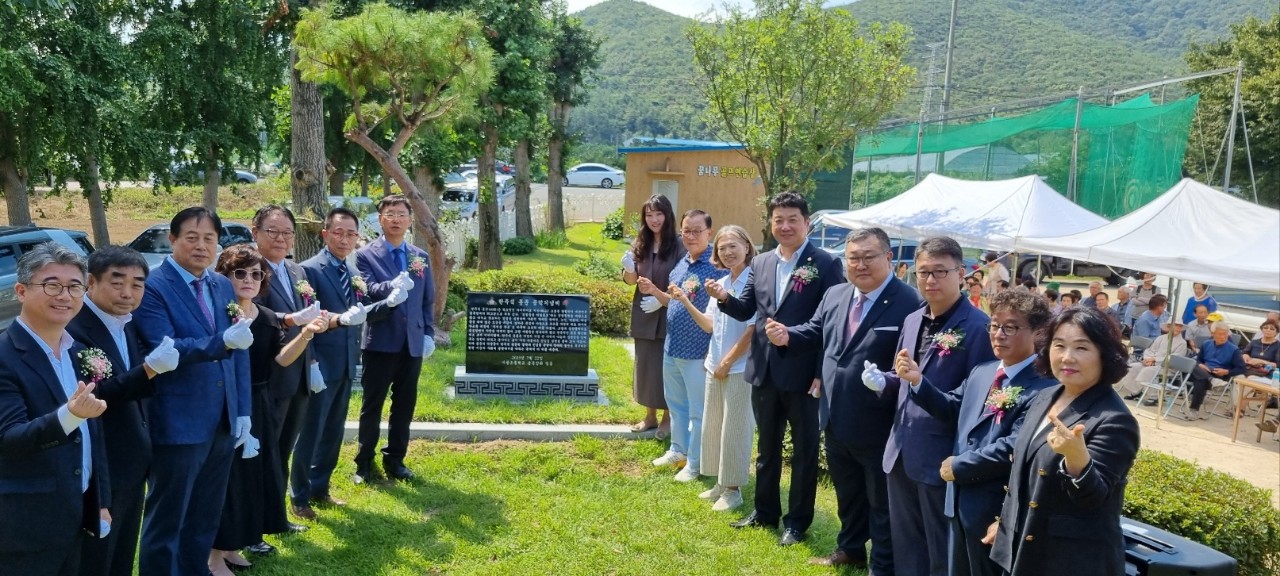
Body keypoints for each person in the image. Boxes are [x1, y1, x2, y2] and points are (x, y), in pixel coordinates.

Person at [770, 227, 922, 572]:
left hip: (880, 424)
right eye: (854, 257)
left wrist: (887, 381)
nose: (861, 264)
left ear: (889, 258)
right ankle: (850, 547)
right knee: (848, 493)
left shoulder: (909, 302)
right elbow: (814, 331)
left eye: (869, 257)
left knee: (881, 502)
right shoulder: (836, 294)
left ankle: (882, 565)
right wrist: (786, 335)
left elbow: (915, 361)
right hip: (836, 416)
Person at [706, 192, 843, 547]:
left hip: (803, 373)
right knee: (766, 448)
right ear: (770, 223)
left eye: (792, 219)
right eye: (778, 219)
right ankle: (764, 512)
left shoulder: (826, 263)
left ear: (806, 222)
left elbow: (831, 323)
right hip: (764, 369)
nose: (784, 226)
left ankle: (796, 523)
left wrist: (819, 372)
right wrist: (723, 299)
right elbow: (746, 309)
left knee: (803, 451)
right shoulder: (762, 263)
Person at [133, 207, 254, 576]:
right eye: (192, 237)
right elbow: (165, 347)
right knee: (168, 518)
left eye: (209, 239)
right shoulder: (153, 287)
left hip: (222, 419)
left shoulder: (220, 284)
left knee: (205, 514)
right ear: (172, 240)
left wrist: (243, 411)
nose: (201, 246)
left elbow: (239, 351)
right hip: (179, 420)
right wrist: (221, 342)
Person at [865, 236, 996, 576]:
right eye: (923, 272)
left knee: (941, 549)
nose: (930, 280)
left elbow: (977, 403)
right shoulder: (912, 319)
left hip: (942, 455)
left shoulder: (979, 328)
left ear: (962, 273)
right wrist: (885, 381)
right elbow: (905, 375)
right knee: (906, 542)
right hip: (901, 451)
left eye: (940, 272)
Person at [908, 289, 1056, 576]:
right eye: (994, 325)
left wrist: (959, 465)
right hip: (958, 500)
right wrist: (918, 382)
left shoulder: (1045, 387)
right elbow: (952, 408)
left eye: (1010, 327)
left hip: (996, 509)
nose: (998, 334)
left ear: (1038, 332)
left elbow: (1016, 445)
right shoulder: (983, 371)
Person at [985, 306, 1140, 576]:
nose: (1068, 358)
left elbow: (1094, 498)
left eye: (1081, 348)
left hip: (1071, 562)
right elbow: (1025, 472)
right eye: (1059, 346)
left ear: (1105, 354)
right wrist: (1007, 522)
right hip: (1025, 549)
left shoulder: (1114, 420)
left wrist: (1077, 458)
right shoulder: (1046, 396)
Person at [209, 245, 329, 576]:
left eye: (256, 274)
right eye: (240, 273)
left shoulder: (262, 315)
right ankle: (213, 556)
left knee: (251, 477)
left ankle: (232, 546)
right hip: (227, 406)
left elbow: (280, 360)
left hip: (261, 403)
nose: (249, 279)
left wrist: (305, 334)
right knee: (228, 480)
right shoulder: (220, 313)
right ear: (225, 276)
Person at [70, 246, 180, 576]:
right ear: (91, 282)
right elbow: (94, 396)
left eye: (137, 284)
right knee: (96, 555)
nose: (127, 293)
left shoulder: (126, 323)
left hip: (134, 459)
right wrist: (148, 370)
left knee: (122, 551)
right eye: (117, 282)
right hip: (102, 463)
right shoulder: (75, 327)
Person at [0, 243, 109, 576]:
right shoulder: (5, 355)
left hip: (78, 510)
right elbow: (9, 438)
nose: (65, 295)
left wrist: (101, 500)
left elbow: (94, 432)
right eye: (51, 284)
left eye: (74, 286)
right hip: (24, 522)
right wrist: (70, 415)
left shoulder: (79, 352)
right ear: (21, 291)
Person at [292, 208, 392, 519]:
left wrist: (389, 302)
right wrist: (311, 363)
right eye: (338, 232)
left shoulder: (351, 272)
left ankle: (321, 488)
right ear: (325, 234)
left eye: (351, 234)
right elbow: (309, 318)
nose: (345, 239)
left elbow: (358, 313)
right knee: (312, 431)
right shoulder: (309, 270)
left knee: (333, 431)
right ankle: (300, 496)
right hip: (321, 363)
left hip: (348, 363)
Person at [670, 224, 756, 510]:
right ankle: (721, 482)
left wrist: (728, 361)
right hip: (714, 365)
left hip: (739, 368)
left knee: (735, 429)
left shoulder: (752, 282)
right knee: (715, 426)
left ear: (747, 246)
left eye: (733, 245)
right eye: (722, 248)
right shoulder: (724, 283)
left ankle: (733, 490)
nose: (728, 252)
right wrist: (684, 300)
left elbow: (752, 329)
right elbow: (709, 324)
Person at [249, 205, 322, 537]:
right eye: (272, 231)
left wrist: (314, 362)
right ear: (255, 232)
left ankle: (275, 517)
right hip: (269, 375)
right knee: (267, 452)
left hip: (300, 373)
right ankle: (259, 520)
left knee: (284, 450)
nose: (280, 239)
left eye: (287, 233)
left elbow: (309, 315)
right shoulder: (248, 271)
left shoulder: (297, 271)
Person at [353, 195, 436, 483]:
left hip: (411, 343)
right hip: (380, 341)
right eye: (390, 214)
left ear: (410, 219)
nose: (396, 219)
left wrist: (427, 333)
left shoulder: (419, 257)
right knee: (372, 405)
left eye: (401, 214)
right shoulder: (366, 254)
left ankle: (396, 460)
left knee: (404, 405)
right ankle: (364, 462)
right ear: (380, 219)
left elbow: (427, 301)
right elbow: (366, 289)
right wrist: (391, 287)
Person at [650, 209, 726, 481]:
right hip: (672, 347)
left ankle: (695, 463)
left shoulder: (718, 268)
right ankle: (678, 450)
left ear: (709, 233)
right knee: (676, 404)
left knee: (698, 410)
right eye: (686, 230)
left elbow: (720, 317)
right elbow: (675, 301)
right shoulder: (682, 263)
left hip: (698, 350)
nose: (691, 236)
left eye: (697, 231)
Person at [622, 194, 683, 439]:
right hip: (644, 313)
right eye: (649, 215)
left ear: (667, 216)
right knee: (646, 365)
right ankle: (649, 416)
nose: (654, 219)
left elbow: (683, 280)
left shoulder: (678, 245)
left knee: (666, 368)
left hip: (669, 312)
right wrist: (628, 269)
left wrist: (661, 299)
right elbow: (631, 281)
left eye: (659, 214)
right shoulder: (642, 243)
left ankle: (667, 419)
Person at [1184, 321, 1246, 420]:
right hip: (1206, 373)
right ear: (1212, 334)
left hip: (1220, 376)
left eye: (1225, 334)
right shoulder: (1206, 344)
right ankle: (1211, 380)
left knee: (1200, 380)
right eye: (1220, 334)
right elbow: (1199, 359)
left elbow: (1242, 368)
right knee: (1194, 363)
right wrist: (1201, 364)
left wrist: (1227, 372)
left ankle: (1194, 411)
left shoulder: (1234, 350)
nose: (1223, 337)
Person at [1116, 319, 1188, 400]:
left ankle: (1153, 397)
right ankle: (1136, 391)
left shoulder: (1182, 343)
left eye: (1180, 326)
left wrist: (1155, 360)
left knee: (1148, 371)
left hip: (1168, 367)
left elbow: (1174, 358)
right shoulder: (1161, 338)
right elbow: (1150, 350)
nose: (1178, 328)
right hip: (1151, 362)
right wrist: (1147, 359)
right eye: (1176, 325)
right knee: (1132, 367)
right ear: (1169, 327)